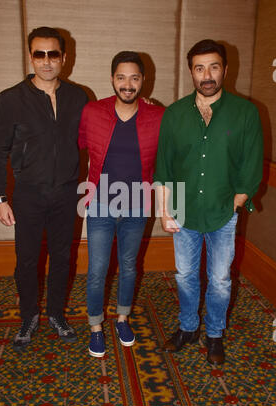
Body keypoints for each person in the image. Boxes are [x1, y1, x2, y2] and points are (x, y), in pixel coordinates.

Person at [154, 39, 263, 364]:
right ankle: (187, 328)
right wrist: (163, 211)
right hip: (183, 212)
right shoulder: (174, 114)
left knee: (219, 279)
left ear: (225, 69)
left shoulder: (245, 112)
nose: (207, 74)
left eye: (213, 67)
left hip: (222, 213)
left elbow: (252, 164)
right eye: (200, 68)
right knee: (185, 276)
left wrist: (236, 202)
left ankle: (214, 334)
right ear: (191, 71)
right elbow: (164, 166)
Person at [0, 27, 88, 352]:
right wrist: (0, 197)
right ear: (31, 57)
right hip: (28, 194)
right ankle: (28, 317)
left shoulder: (79, 96)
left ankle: (56, 314)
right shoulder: (11, 99)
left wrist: (141, 107)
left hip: (66, 193)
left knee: (63, 257)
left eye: (53, 54)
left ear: (64, 57)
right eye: (39, 54)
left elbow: (98, 132)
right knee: (27, 259)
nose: (46, 61)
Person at [78, 51, 164, 357]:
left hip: (137, 206)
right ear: (112, 78)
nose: (127, 84)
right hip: (100, 203)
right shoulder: (92, 112)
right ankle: (96, 327)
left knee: (129, 265)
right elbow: (76, 145)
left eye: (134, 77)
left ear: (143, 81)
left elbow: (170, 153)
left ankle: (122, 318)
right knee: (98, 268)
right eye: (121, 77)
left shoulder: (157, 116)